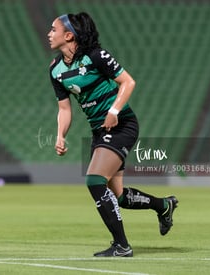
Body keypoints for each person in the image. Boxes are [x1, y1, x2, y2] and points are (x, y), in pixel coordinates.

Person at [48, 12, 178, 257]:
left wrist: (114, 110)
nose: (49, 34)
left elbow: (128, 82)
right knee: (119, 197)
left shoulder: (96, 56)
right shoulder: (55, 69)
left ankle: (121, 246)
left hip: (121, 125)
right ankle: (164, 205)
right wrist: (60, 134)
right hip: (99, 130)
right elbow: (64, 108)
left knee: (94, 180)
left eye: (53, 29)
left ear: (68, 35)